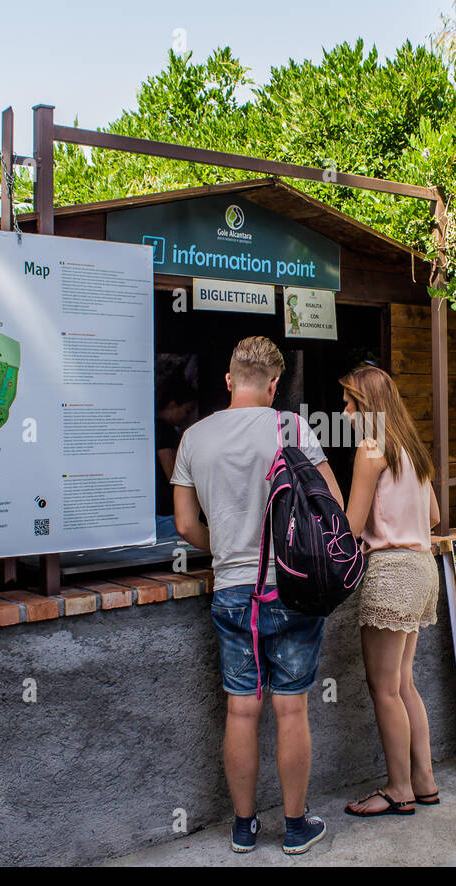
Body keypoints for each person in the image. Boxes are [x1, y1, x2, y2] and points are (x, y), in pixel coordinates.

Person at [171, 336, 345, 855]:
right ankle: (295, 827)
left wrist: (225, 546)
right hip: (289, 586)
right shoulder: (290, 427)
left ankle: (243, 828)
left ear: (228, 380)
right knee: (291, 710)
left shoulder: (194, 438)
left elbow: (184, 524)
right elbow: (330, 503)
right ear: (274, 385)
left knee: (241, 709)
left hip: (231, 591)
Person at [338, 362, 441, 818]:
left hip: (391, 573)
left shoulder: (370, 450)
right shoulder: (412, 450)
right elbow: (434, 517)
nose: (343, 412)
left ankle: (398, 788)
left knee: (383, 688)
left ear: (368, 407)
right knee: (404, 684)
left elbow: (349, 527)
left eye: (349, 403)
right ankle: (424, 781)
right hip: (423, 570)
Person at [153, 377, 196, 543]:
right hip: (167, 512)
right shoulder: (165, 431)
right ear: (172, 405)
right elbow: (173, 474)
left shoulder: (153, 427)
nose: (188, 417)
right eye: (187, 411)